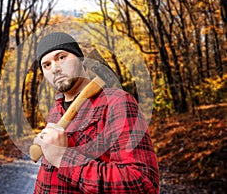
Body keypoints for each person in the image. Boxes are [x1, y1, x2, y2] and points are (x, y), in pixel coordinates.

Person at [33, 32, 159, 193]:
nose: (55, 69)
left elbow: (143, 184)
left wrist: (63, 158)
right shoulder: (55, 112)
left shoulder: (117, 103)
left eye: (61, 57)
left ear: (80, 59)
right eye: (46, 65)